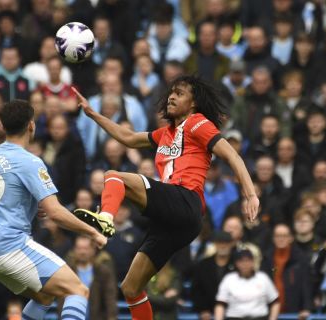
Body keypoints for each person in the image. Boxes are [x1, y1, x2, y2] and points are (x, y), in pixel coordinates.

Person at [72, 74, 259, 319]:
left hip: (184, 200)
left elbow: (232, 156)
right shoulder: (165, 134)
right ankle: (106, 218)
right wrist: (93, 114)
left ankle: (106, 217)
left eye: (179, 93)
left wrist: (250, 194)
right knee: (130, 288)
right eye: (171, 92)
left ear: (193, 103)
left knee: (113, 175)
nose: (171, 96)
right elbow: (127, 138)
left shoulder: (197, 123)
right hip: (175, 220)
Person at [0, 99, 110, 320]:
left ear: (3, 126)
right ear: (31, 125)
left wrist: (30, 205)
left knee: (45, 297)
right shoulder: (30, 161)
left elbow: (4, 195)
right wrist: (93, 232)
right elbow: (55, 212)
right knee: (77, 290)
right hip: (10, 246)